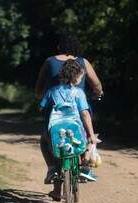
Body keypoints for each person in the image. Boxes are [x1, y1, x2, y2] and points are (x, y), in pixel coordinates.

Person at [35, 33, 103, 183]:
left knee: (46, 140)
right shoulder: (82, 63)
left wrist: (41, 98)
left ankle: (52, 169)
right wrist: (97, 94)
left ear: (59, 47)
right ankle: (85, 167)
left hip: (54, 114)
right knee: (88, 136)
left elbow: (39, 87)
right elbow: (96, 85)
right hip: (78, 114)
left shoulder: (49, 61)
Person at [39, 59, 97, 201]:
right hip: (75, 128)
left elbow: (40, 107)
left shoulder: (52, 91)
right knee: (91, 139)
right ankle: (84, 164)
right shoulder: (79, 93)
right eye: (81, 77)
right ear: (76, 76)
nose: (81, 79)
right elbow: (85, 114)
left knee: (44, 142)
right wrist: (91, 134)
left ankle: (52, 168)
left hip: (56, 129)